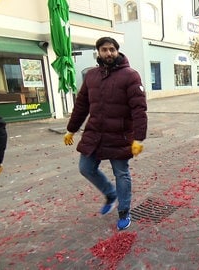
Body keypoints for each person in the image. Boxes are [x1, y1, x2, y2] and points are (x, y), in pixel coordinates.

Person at [64, 37, 147, 230]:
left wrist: (139, 138)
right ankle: (110, 194)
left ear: (117, 51)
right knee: (85, 167)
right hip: (95, 134)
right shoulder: (91, 76)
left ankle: (124, 211)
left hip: (120, 135)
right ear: (98, 52)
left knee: (121, 173)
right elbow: (82, 105)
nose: (108, 53)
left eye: (112, 49)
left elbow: (139, 109)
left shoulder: (130, 75)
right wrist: (71, 129)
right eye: (104, 50)